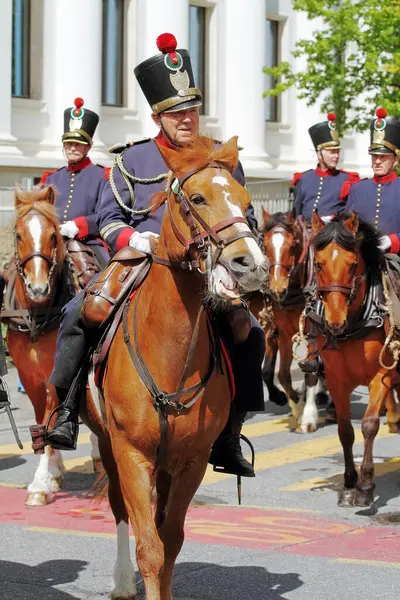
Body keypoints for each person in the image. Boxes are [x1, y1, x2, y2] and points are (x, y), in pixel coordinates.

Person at [46, 33, 266, 478]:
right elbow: (108, 218)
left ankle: (229, 431)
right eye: (175, 112)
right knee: (79, 312)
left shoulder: (222, 159)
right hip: (141, 259)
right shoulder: (130, 161)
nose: (186, 119)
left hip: (206, 266)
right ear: (157, 116)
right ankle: (64, 411)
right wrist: (133, 237)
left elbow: (245, 217)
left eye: (191, 110)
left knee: (249, 329)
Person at [40, 98, 109, 266]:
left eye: (78, 144)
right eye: (69, 143)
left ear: (88, 147)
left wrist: (78, 225)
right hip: (52, 242)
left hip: (89, 243)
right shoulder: (51, 178)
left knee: (106, 279)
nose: (72, 148)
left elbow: (107, 215)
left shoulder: (103, 176)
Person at [346, 108, 400, 253]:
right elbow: (347, 227)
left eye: (383, 157)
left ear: (395, 160)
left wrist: (393, 240)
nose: (377, 161)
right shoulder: (357, 189)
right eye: (374, 156)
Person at [293, 113, 360, 222]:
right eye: (332, 152)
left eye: (337, 152)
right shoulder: (303, 179)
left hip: (332, 233)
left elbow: (351, 212)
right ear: (319, 154)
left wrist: (333, 218)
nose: (336, 156)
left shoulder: (348, 179)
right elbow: (296, 213)